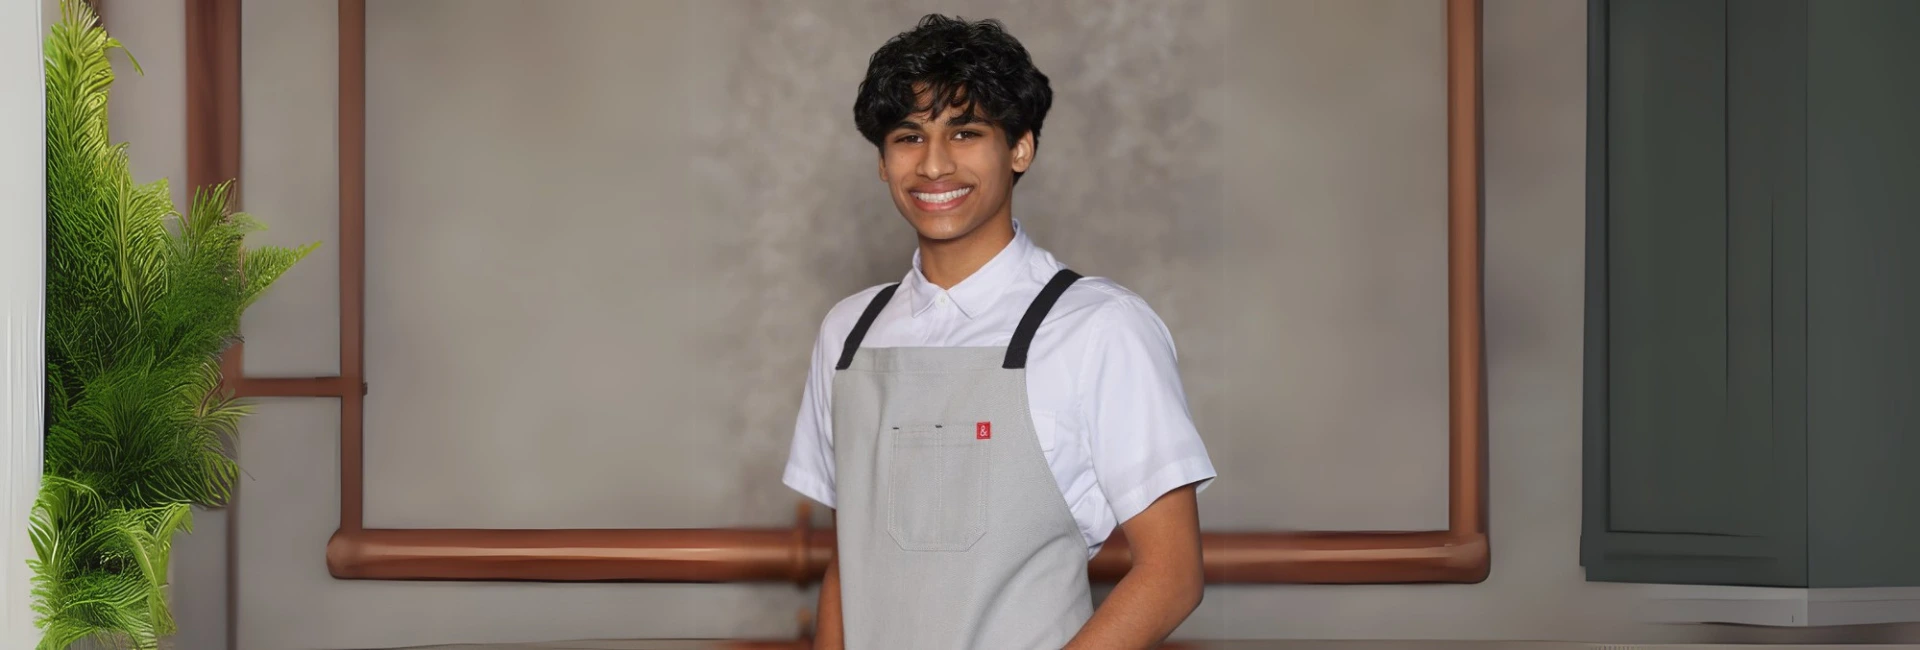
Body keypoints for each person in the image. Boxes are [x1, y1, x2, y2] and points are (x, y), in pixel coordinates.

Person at [781, 13, 1216, 650]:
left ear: (1020, 148)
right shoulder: (847, 333)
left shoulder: (1100, 327)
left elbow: (1172, 575)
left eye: (965, 133)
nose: (934, 165)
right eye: (909, 136)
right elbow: (852, 563)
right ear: (882, 160)